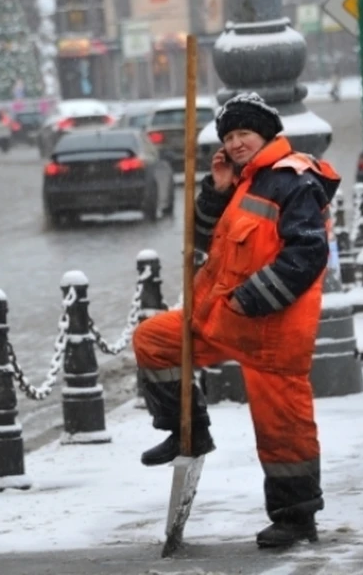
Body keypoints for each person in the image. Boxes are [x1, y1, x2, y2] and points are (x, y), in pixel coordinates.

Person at [132, 92, 341, 549]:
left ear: (266, 134)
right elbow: (204, 235)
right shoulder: (246, 180)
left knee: (284, 434)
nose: (237, 141)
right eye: (229, 135)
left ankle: (296, 519)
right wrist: (217, 187)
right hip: (222, 320)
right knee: (153, 341)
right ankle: (188, 429)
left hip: (269, 332)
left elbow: (307, 253)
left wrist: (251, 299)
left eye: (244, 132)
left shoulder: (293, 181)